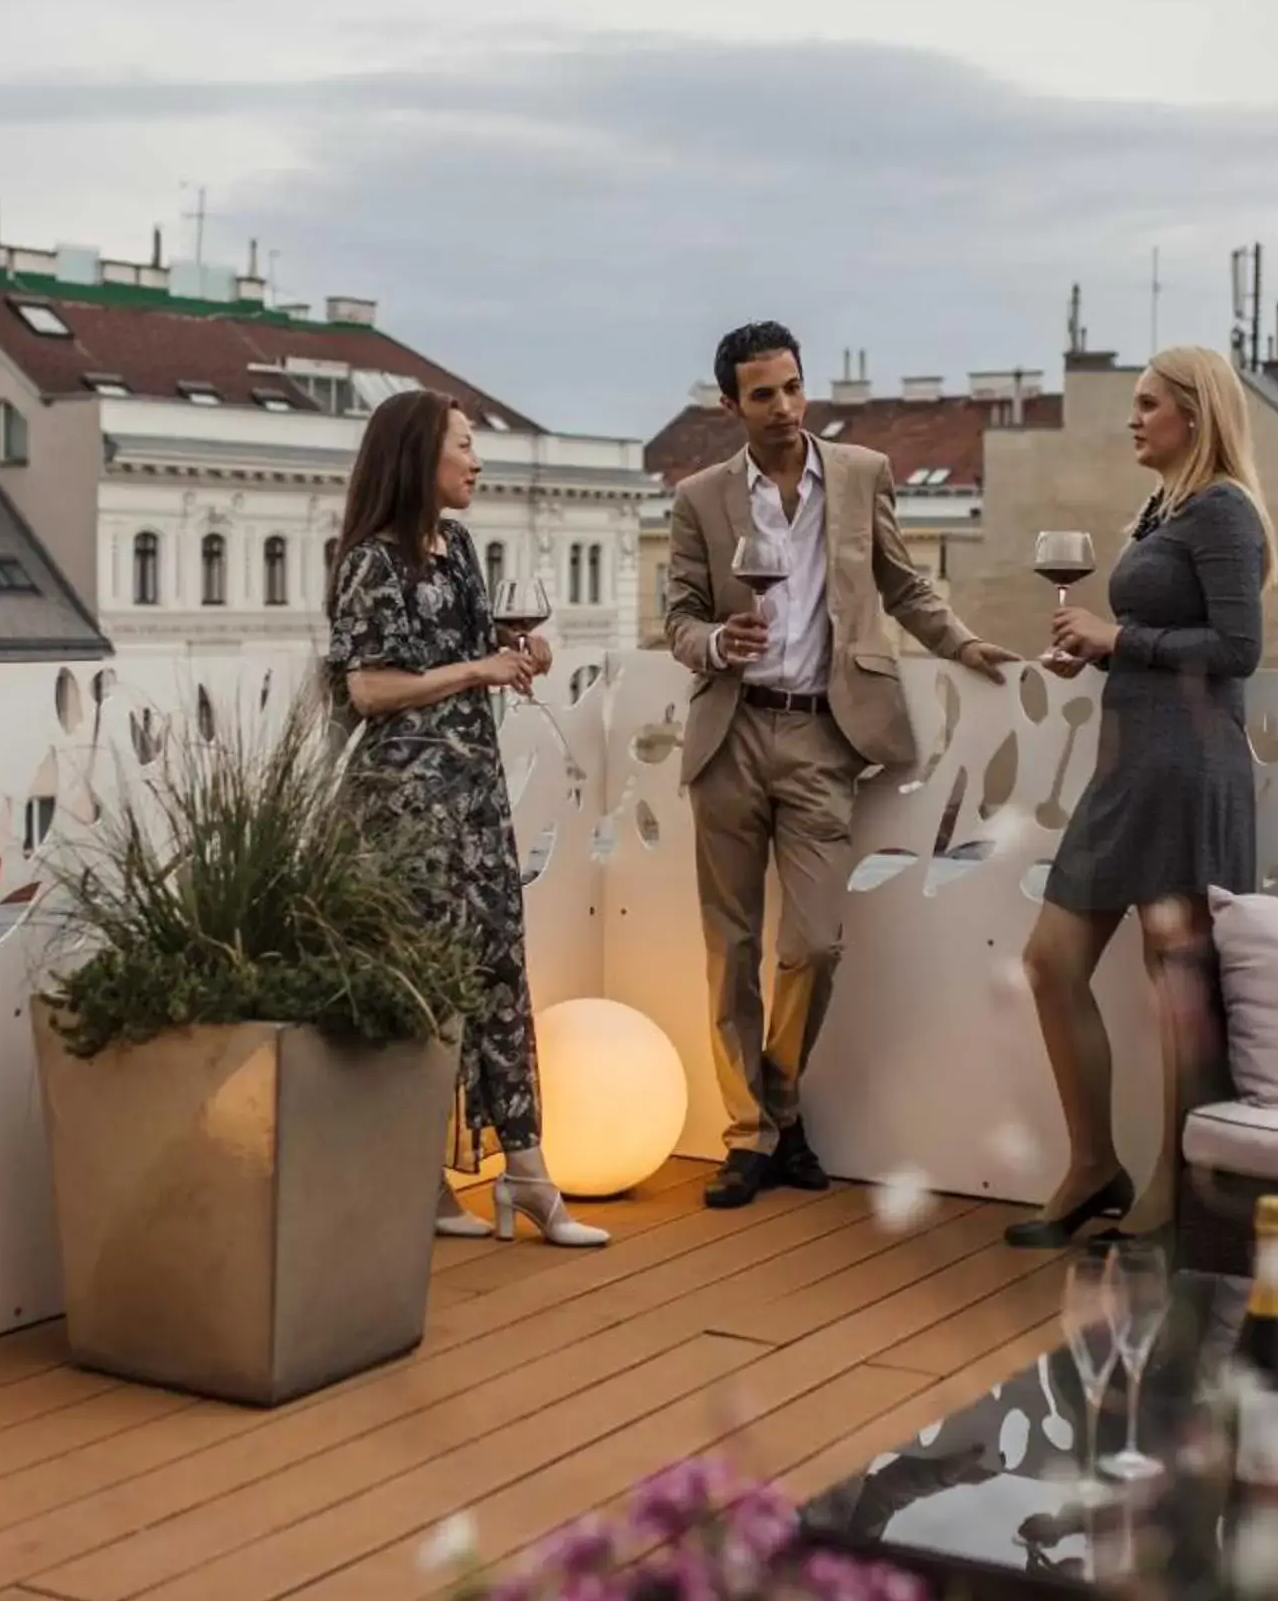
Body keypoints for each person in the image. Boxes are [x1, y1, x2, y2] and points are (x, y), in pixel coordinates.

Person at [665, 321, 1018, 1210]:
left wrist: (966, 645)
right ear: (729, 405)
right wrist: (715, 639)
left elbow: (904, 584)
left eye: (791, 387)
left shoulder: (860, 475)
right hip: (731, 733)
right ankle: (748, 1135)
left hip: (825, 736)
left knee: (814, 944)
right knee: (731, 946)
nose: (783, 408)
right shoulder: (700, 498)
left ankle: (780, 1100)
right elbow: (678, 618)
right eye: (762, 394)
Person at [1007, 345, 1274, 1249]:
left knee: (1179, 992)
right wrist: (1104, 648)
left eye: (1148, 403)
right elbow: (1163, 634)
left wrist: (1120, 638)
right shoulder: (1166, 509)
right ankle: (1095, 1166)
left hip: (1190, 769)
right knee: (1050, 961)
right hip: (1129, 767)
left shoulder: (1225, 514)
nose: (1134, 418)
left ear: (1195, 414)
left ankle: (1177, 1190)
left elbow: (1239, 651)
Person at [327, 389, 607, 1247]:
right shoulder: (370, 561)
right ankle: (425, 1178)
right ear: (419, 457)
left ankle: (526, 1176)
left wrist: (526, 656)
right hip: (404, 806)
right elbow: (368, 688)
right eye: (463, 446)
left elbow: (482, 651)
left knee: (495, 972)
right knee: (421, 986)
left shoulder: (457, 552)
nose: (476, 462)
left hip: (475, 794)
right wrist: (478, 671)